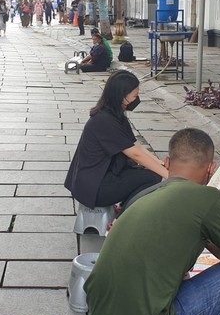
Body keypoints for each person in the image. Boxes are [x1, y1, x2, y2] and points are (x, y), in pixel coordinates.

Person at [85, 128, 220, 315]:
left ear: (167, 163)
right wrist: (208, 239)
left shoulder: (146, 194)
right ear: (211, 168)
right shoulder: (208, 197)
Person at [65, 70, 167, 210]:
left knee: (152, 170)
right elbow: (136, 155)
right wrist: (171, 176)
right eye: (134, 96)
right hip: (94, 187)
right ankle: (125, 211)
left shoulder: (116, 116)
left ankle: (124, 207)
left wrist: (161, 164)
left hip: (100, 177)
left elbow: (138, 148)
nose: (136, 99)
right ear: (121, 96)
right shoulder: (105, 121)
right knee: (152, 177)